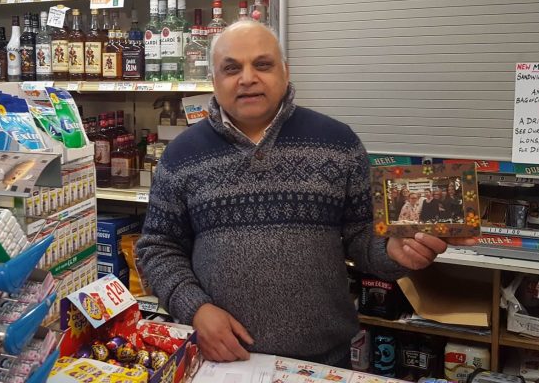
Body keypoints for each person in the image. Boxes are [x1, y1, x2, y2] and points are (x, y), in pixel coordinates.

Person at [135, 21, 476, 366]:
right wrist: (195, 309)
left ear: (285, 71)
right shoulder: (181, 155)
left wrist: (393, 251)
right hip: (219, 360)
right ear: (214, 79)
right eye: (232, 68)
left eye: (263, 64)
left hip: (324, 361)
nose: (248, 78)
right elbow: (158, 248)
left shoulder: (339, 144)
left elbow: (363, 236)